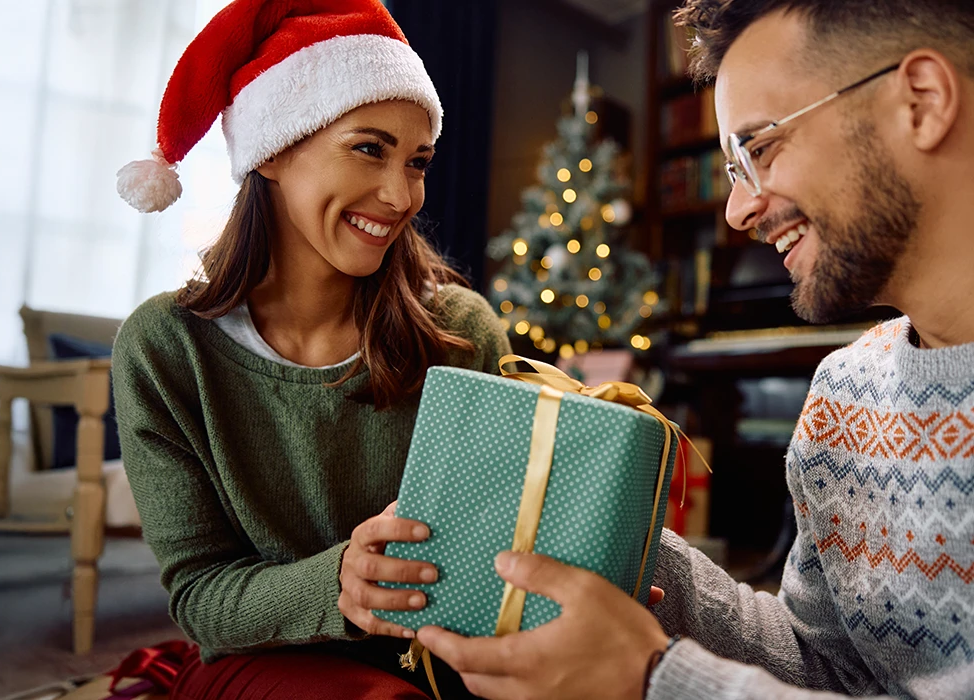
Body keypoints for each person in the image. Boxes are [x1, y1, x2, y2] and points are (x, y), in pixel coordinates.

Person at [415, 1, 974, 698]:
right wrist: (621, 539)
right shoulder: (845, 391)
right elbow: (826, 666)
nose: (738, 211)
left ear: (921, 102)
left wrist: (657, 679)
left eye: (759, 150)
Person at [110, 1, 509, 697]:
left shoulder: (462, 332)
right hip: (262, 657)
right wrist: (340, 583)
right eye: (368, 148)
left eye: (418, 161)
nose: (400, 194)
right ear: (274, 149)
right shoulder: (166, 350)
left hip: (449, 655)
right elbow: (202, 598)